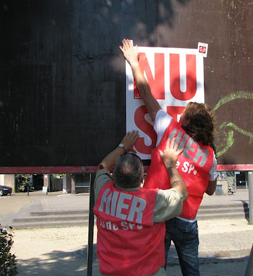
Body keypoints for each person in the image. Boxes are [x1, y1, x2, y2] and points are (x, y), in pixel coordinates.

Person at [120, 39, 218, 276]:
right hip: (186, 222)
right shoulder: (211, 156)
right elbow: (211, 190)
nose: (180, 112)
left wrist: (134, 62)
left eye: (183, 113)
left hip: (158, 214)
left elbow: (145, 93)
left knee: (156, 269)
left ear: (185, 122)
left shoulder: (169, 129)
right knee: (192, 272)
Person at [93, 130, 189, 276]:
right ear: (141, 180)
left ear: (113, 177)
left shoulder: (103, 192)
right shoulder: (152, 201)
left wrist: (122, 146)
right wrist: (170, 163)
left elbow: (103, 166)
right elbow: (182, 193)